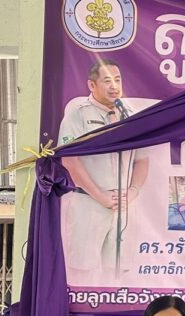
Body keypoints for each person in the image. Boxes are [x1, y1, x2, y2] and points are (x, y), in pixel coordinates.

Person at [59, 58, 149, 282]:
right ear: (92, 85)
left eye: (117, 80)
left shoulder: (130, 116)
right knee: (82, 270)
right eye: (107, 81)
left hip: (124, 205)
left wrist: (133, 192)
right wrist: (100, 196)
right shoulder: (78, 114)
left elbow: (142, 160)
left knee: (118, 270)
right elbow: (70, 160)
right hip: (89, 202)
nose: (114, 86)